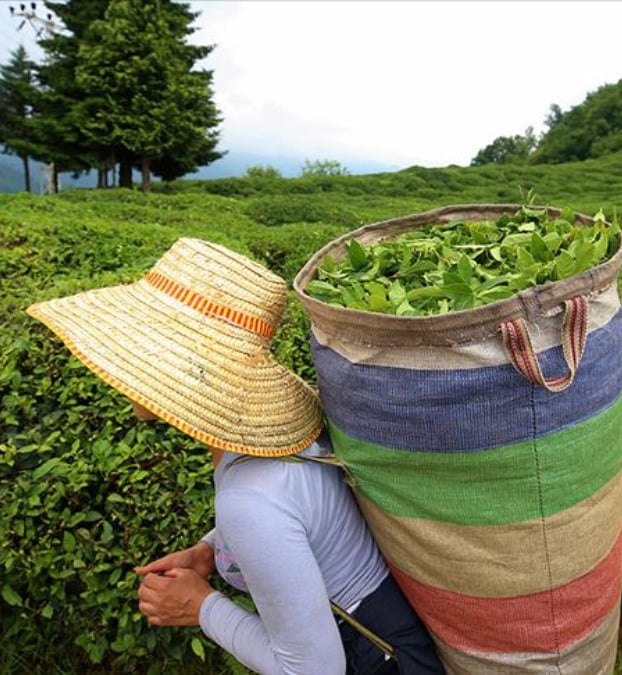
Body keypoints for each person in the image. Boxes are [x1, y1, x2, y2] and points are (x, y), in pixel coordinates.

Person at [26, 238, 444, 675]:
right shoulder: (275, 447)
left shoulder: (250, 499)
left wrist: (200, 607)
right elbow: (300, 517)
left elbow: (312, 670)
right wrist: (209, 552)